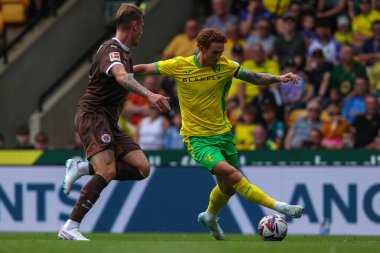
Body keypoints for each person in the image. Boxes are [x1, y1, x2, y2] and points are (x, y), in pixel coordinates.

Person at [133, 28, 303, 241]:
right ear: (202, 49)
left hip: (223, 135)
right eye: (215, 52)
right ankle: (280, 206)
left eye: (221, 51)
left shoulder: (225, 66)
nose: (219, 56)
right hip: (197, 139)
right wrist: (119, 72)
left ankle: (210, 217)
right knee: (233, 175)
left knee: (228, 188)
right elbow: (144, 68)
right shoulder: (179, 65)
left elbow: (254, 77)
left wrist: (280, 77)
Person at [57, 4, 170, 241]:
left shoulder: (125, 54)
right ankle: (70, 225)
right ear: (135, 25)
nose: (142, 32)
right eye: (142, 27)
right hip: (93, 114)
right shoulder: (112, 50)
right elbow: (120, 75)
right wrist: (149, 95)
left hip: (108, 120)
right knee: (107, 169)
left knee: (141, 168)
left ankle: (80, 169)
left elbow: (128, 72)